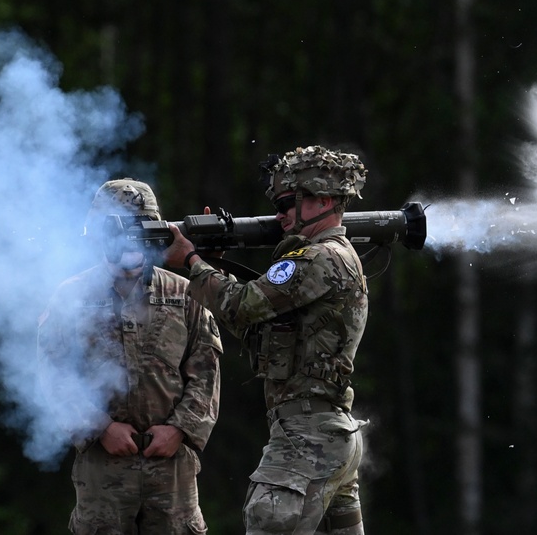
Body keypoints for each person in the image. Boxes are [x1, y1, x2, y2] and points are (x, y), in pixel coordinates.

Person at [164, 145, 370, 535]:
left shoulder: (316, 258)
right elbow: (258, 327)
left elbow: (241, 305)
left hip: (305, 440)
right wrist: (212, 264)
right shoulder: (340, 255)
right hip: (330, 436)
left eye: (289, 203)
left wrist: (192, 262)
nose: (280, 215)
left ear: (324, 200)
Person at [37, 178, 222, 535]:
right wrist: (100, 427)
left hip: (171, 469)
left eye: (143, 229)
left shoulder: (185, 294)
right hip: (102, 470)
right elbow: (54, 373)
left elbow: (206, 370)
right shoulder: (70, 297)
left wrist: (179, 430)